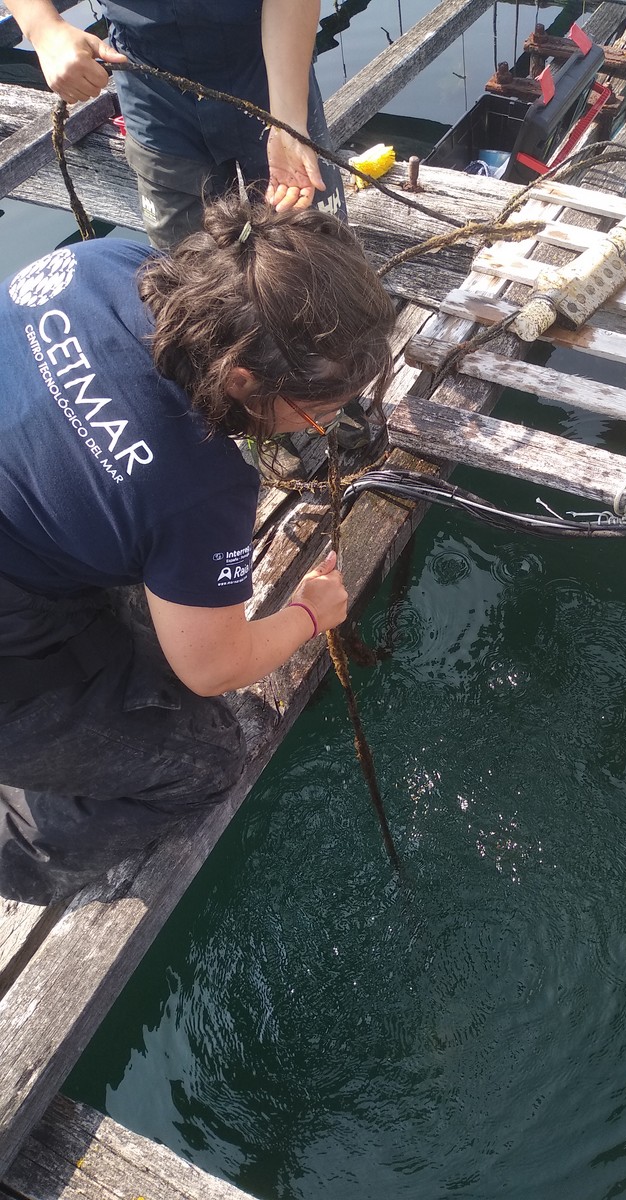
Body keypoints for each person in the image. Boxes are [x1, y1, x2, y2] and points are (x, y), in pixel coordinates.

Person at [0, 195, 396, 905]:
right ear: (243, 381)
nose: (324, 424)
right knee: (207, 761)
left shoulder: (103, 264)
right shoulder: (200, 488)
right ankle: (21, 852)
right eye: (318, 413)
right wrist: (311, 614)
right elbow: (213, 668)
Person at [5, 0, 344, 248]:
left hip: (275, 68)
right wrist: (44, 29)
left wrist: (287, 121)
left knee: (316, 254)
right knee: (188, 279)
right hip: (152, 87)